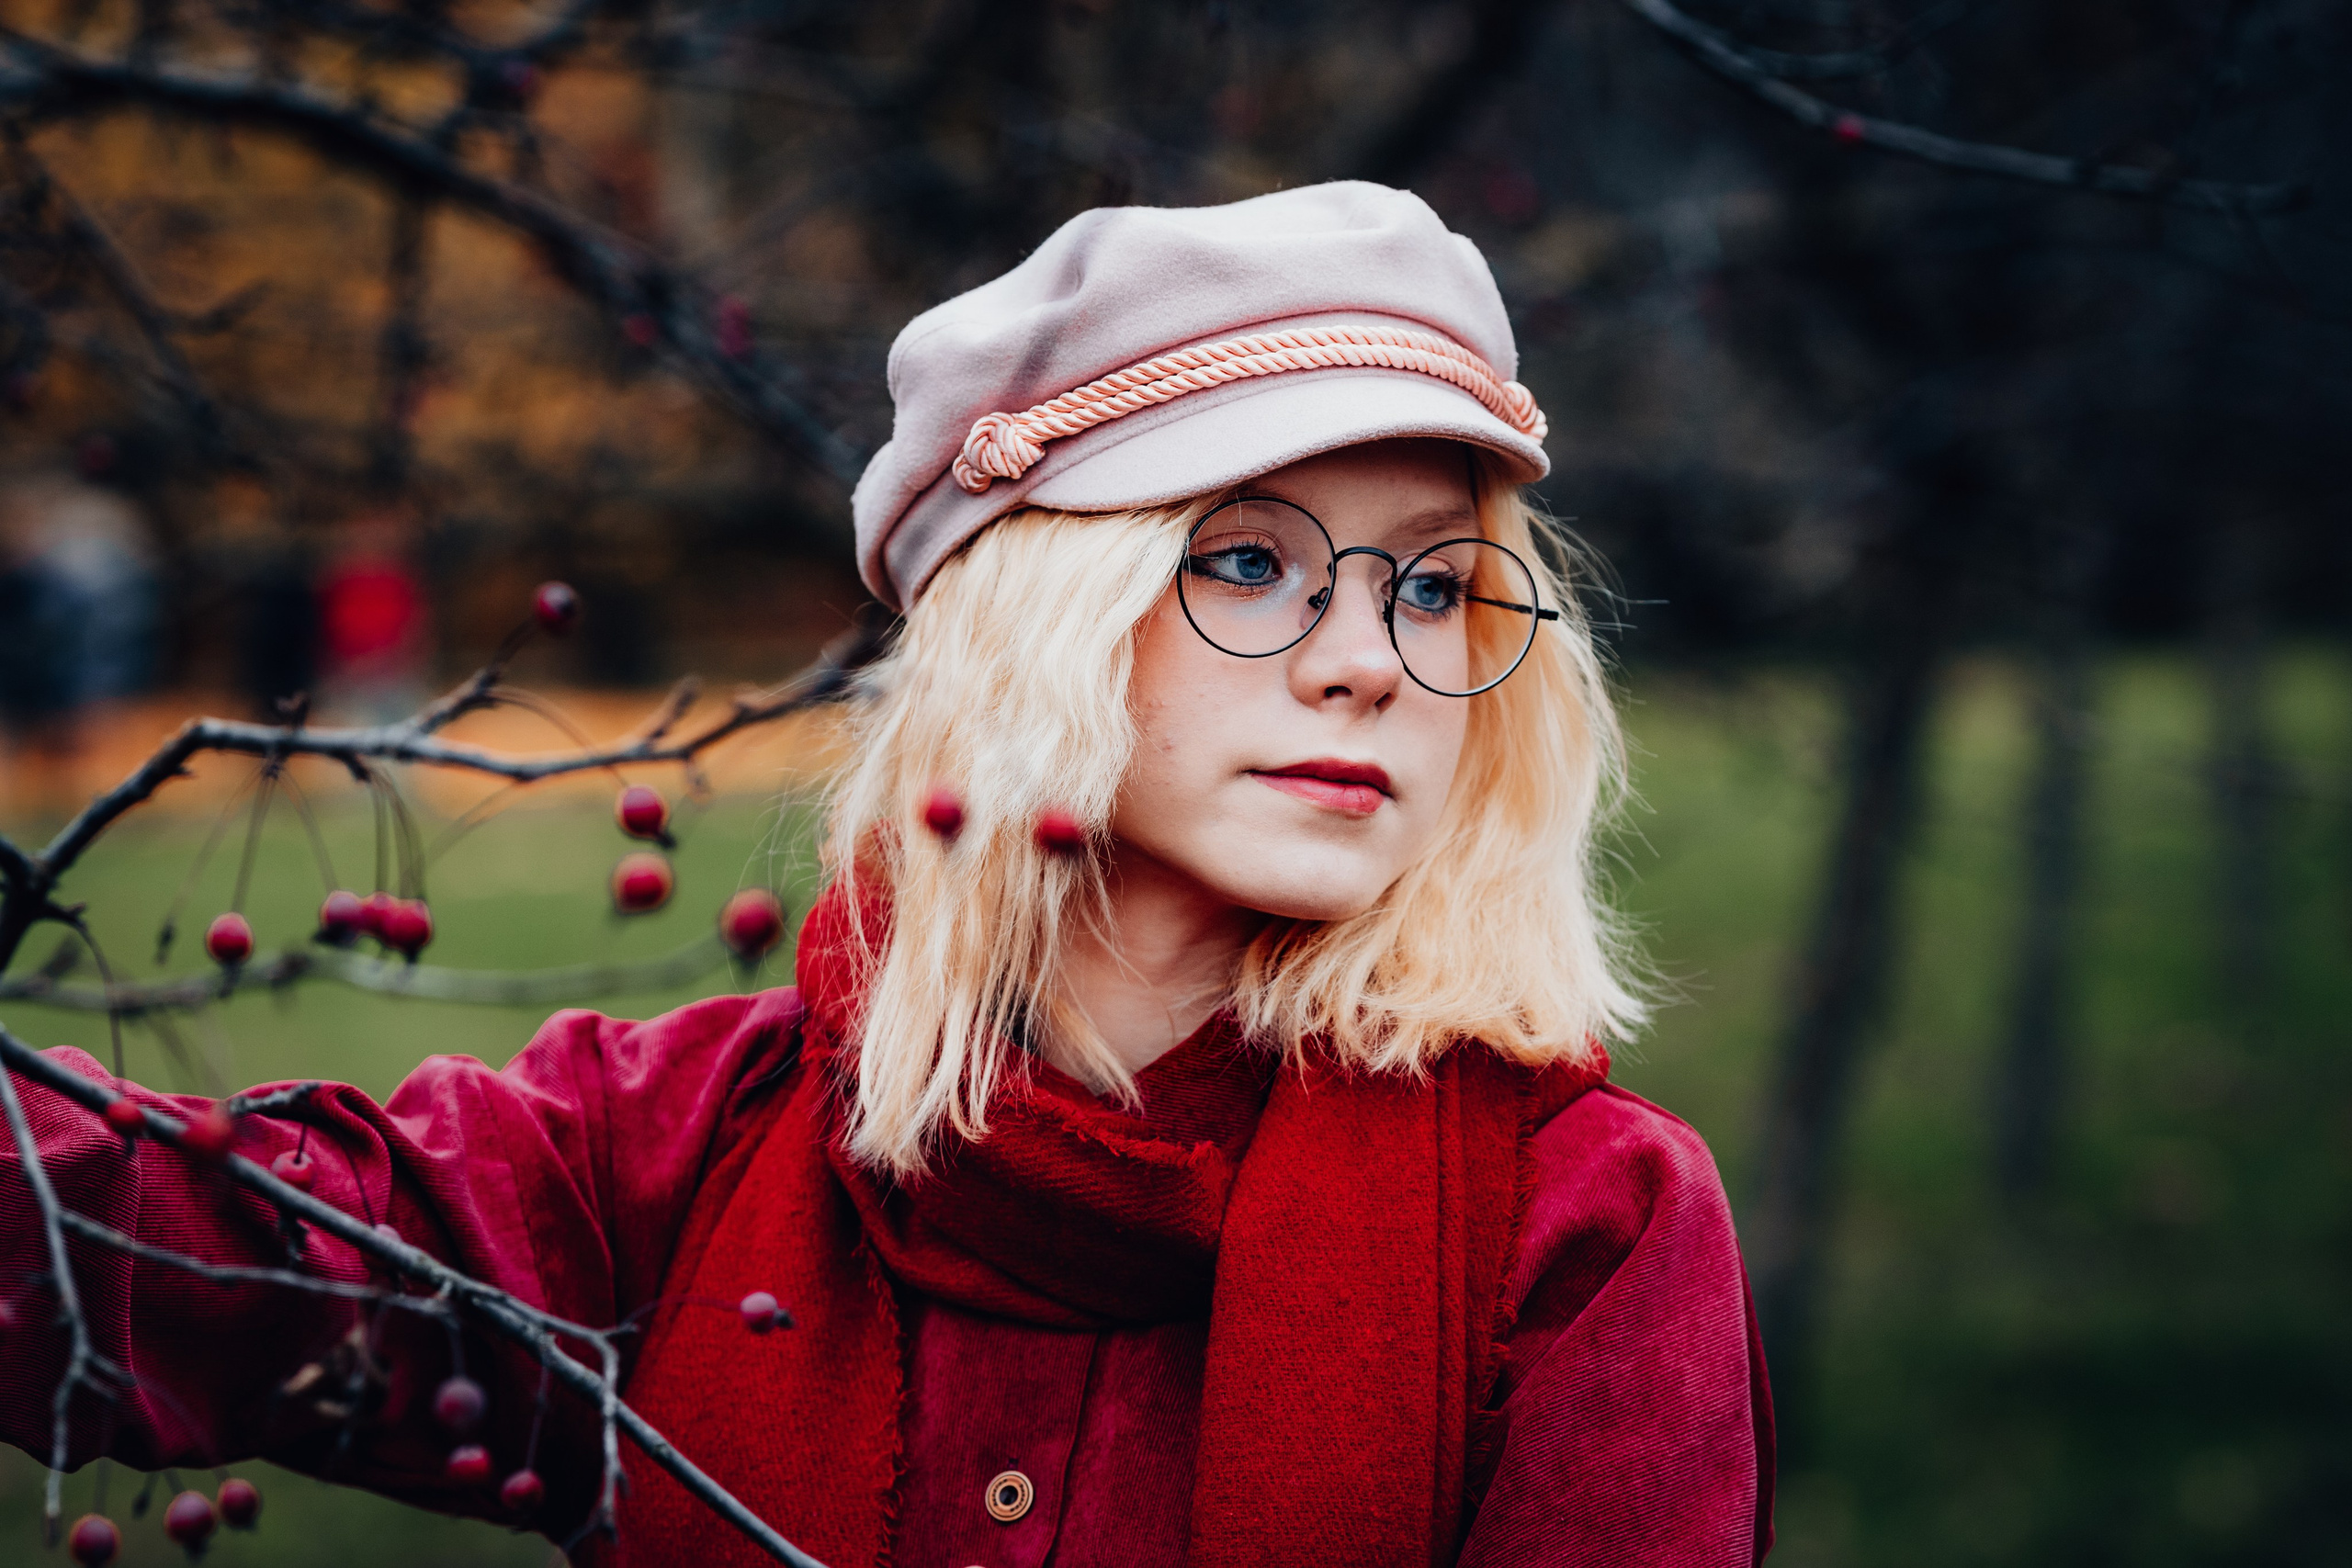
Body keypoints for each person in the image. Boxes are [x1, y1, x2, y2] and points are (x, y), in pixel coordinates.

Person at [0, 182, 1772, 1566]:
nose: (1368, 659)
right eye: (1248, 561)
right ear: (1035, 627)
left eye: (1431, 582)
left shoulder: (1582, 1229)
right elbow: (167, 1256)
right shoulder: (681, 1153)